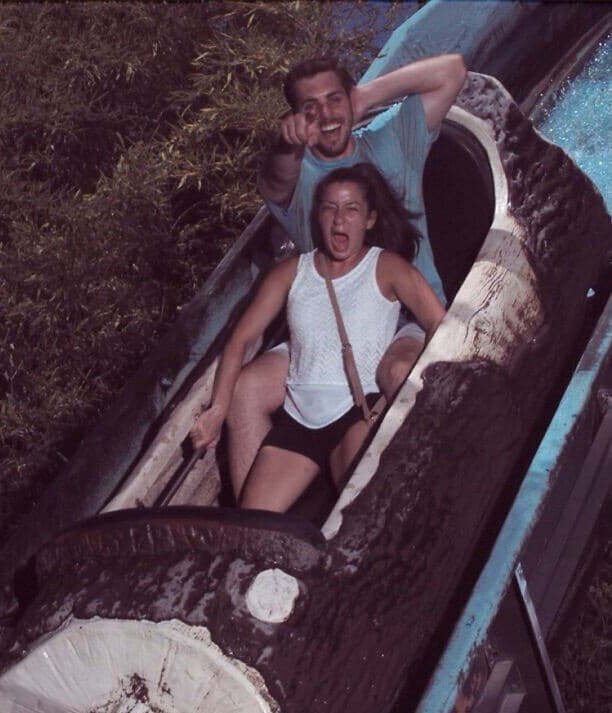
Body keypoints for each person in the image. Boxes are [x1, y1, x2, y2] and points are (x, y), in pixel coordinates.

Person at [226, 52, 466, 497]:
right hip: (327, 332)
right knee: (248, 388)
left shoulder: (393, 139)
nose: (325, 115)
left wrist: (362, 97)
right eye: (309, 109)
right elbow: (276, 177)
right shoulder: (299, 181)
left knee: (397, 372)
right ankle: (251, 538)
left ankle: (427, 495)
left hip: (405, 322)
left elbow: (452, 70)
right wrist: (288, 145)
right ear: (295, 119)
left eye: (333, 100)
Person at [190, 164, 445, 513]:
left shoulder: (386, 266)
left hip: (356, 409)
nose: (340, 219)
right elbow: (240, 339)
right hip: (299, 418)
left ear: (369, 220)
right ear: (317, 216)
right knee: (254, 526)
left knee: (364, 514)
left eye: (351, 209)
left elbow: (440, 324)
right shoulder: (291, 272)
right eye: (330, 207)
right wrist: (218, 408)